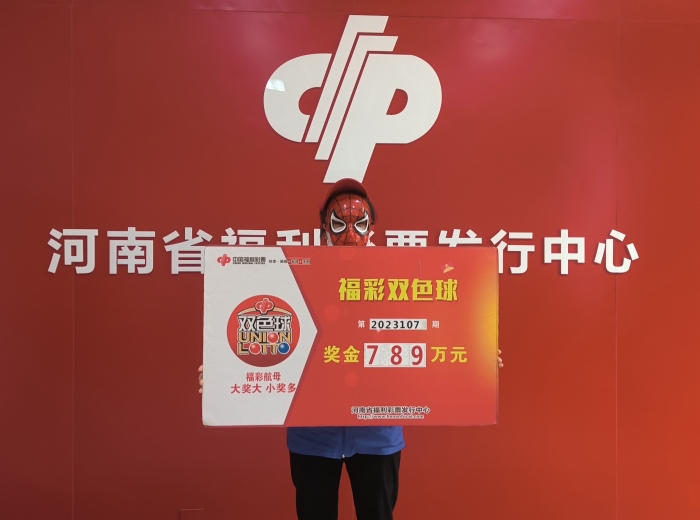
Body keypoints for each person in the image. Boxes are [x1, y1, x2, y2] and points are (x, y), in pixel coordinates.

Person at [198, 178, 503, 520]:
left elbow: (431, 330)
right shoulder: (294, 277)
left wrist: (474, 356)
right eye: (339, 222)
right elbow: (265, 328)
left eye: (359, 222)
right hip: (312, 432)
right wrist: (225, 369)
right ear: (323, 229)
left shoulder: (398, 278)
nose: (349, 233)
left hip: (378, 430)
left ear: (372, 227)